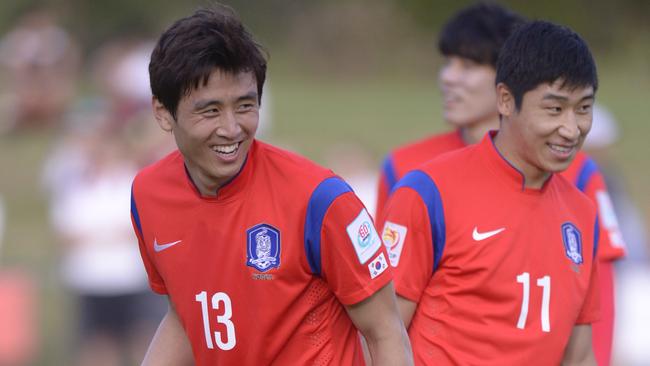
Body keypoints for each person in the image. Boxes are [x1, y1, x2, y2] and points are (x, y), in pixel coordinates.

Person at [130, 5, 412, 365]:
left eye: (245, 105)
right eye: (211, 110)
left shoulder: (321, 200)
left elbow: (385, 330)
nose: (232, 128)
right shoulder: (148, 194)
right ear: (162, 113)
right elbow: (185, 315)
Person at [375, 4, 625, 364]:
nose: (572, 129)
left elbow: (582, 351)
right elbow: (383, 332)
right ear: (506, 100)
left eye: (583, 108)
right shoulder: (424, 191)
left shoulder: (581, 208)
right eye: (554, 110)